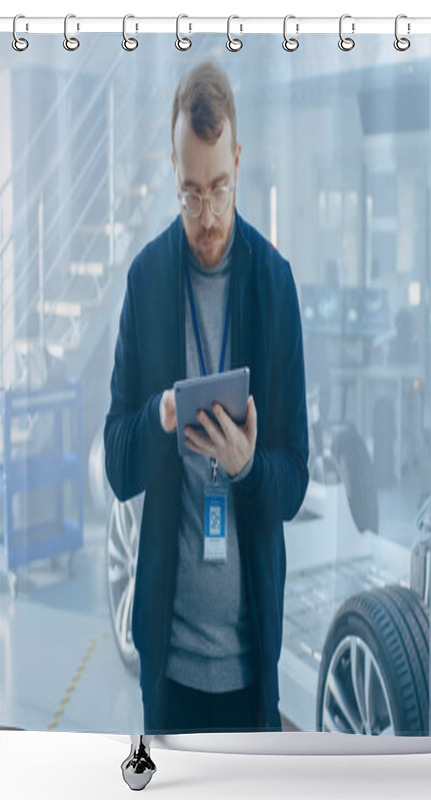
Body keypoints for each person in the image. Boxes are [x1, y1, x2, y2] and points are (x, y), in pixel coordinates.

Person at [104, 61, 309, 734]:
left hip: (253, 663)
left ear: (239, 161)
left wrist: (248, 465)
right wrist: (161, 417)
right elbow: (116, 463)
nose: (207, 215)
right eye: (189, 193)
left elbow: (294, 483)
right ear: (172, 170)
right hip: (168, 665)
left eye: (219, 189)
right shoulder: (147, 283)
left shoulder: (274, 288)